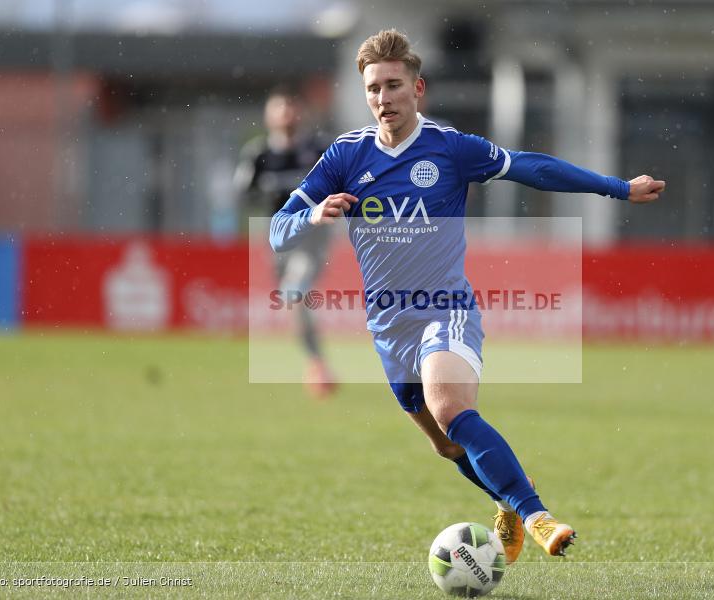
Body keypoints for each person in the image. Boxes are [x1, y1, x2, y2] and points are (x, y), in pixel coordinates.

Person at [270, 29, 664, 562]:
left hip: (444, 311)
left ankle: (537, 516)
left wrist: (616, 187)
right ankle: (507, 502)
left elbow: (532, 167)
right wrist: (312, 214)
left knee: (449, 405)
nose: (383, 98)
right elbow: (277, 228)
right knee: (447, 444)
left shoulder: (449, 148)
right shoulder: (346, 155)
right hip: (388, 328)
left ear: (418, 88)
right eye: (373, 89)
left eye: (393, 85)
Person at [235, 88, 337, 397]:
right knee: (294, 301)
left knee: (295, 290)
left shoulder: (318, 149)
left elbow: (340, 180)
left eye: (291, 107)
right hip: (279, 239)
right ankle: (316, 360)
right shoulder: (259, 154)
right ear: (269, 116)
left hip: (313, 237)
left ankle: (318, 366)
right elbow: (242, 193)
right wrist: (267, 191)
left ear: (300, 113)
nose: (286, 114)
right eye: (279, 108)